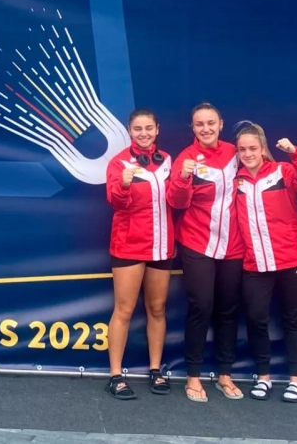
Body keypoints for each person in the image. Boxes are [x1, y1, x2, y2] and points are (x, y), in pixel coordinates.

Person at [165, 102, 245, 402]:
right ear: (193, 128)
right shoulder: (186, 158)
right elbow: (176, 202)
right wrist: (183, 178)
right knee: (201, 306)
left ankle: (224, 374)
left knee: (228, 309)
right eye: (200, 124)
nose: (206, 128)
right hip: (197, 242)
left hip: (233, 245)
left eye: (211, 123)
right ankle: (193, 376)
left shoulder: (235, 152)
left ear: (221, 124)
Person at [233, 123, 297, 403]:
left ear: (263, 149)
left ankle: (295, 380)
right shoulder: (236, 180)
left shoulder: (283, 170)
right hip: (255, 263)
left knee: (293, 319)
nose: (247, 154)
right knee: (256, 319)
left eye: (253, 148)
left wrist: (295, 153)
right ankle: (263, 376)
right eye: (242, 149)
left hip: (292, 259)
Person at [103, 109, 175, 400]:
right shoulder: (118, 162)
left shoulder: (167, 160)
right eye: (137, 129)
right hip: (129, 244)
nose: (143, 133)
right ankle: (115, 375)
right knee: (124, 310)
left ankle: (155, 369)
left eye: (148, 128)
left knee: (157, 309)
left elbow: (177, 200)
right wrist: (123, 183)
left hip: (162, 245)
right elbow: (115, 202)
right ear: (129, 131)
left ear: (157, 129)